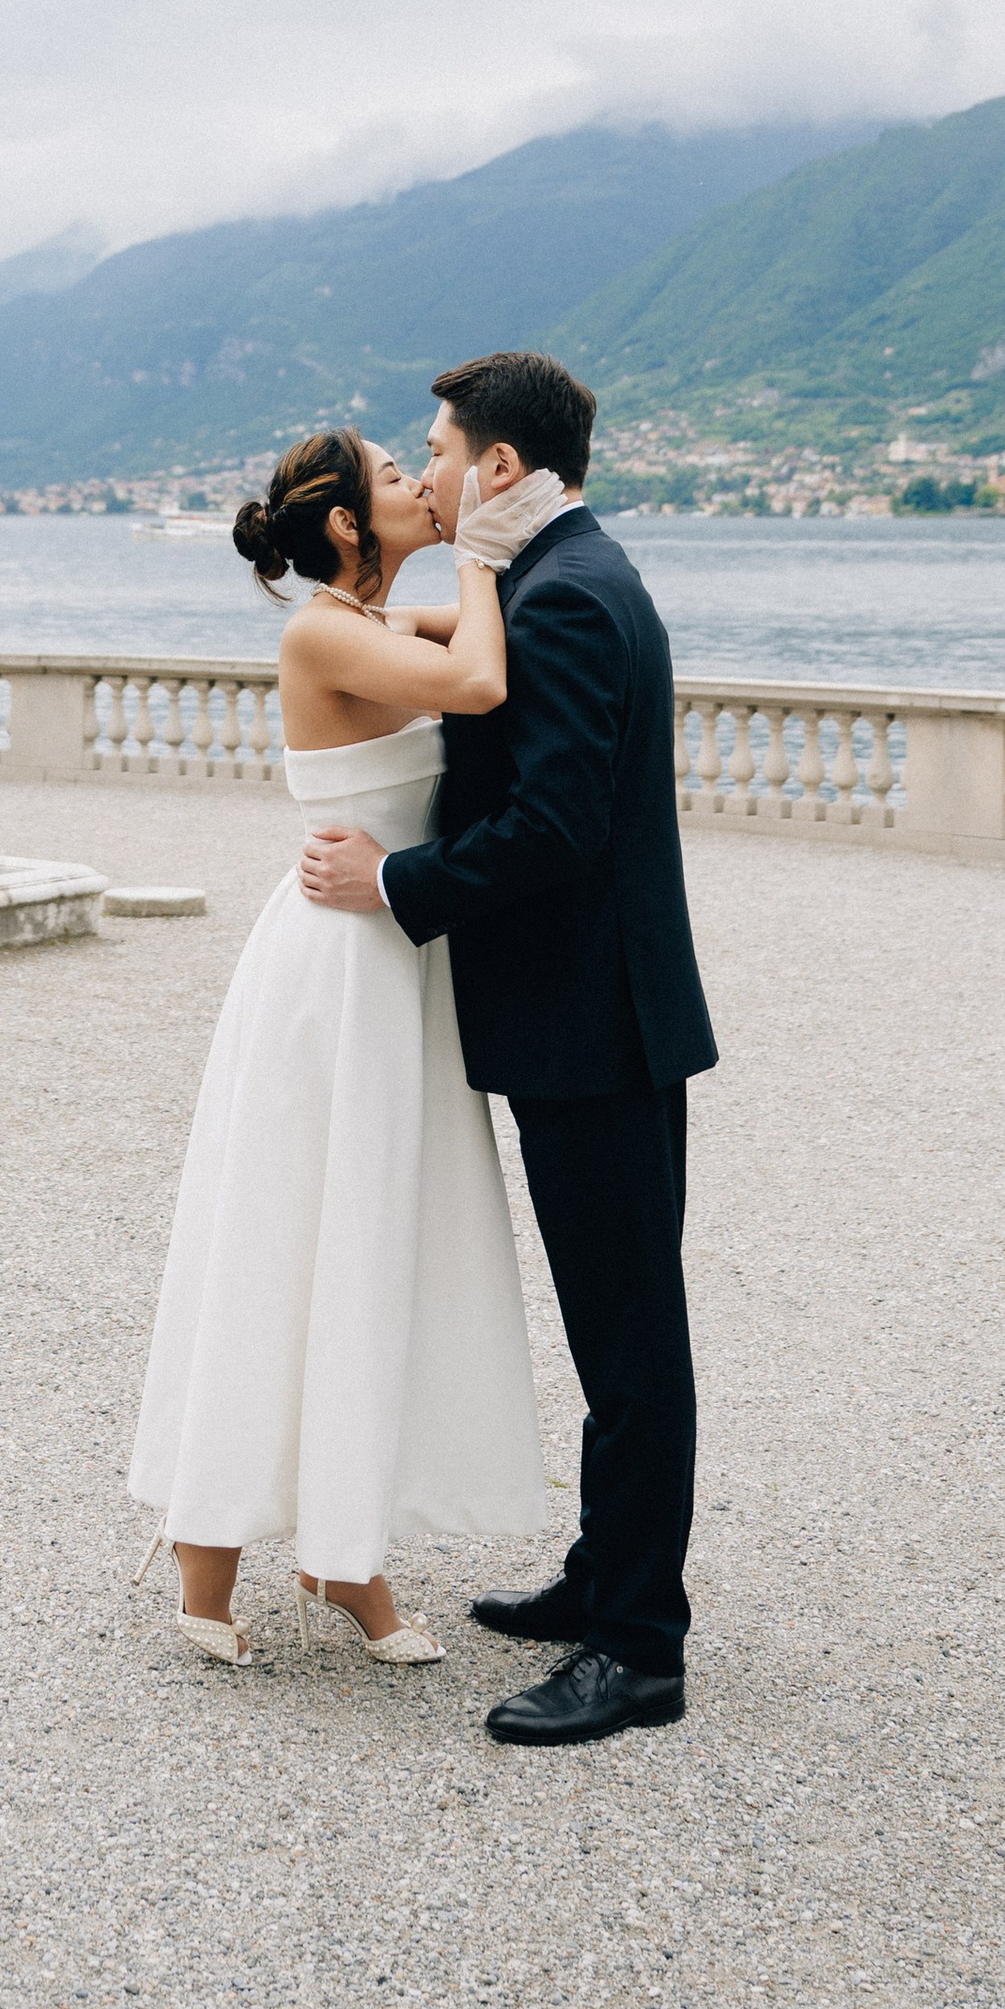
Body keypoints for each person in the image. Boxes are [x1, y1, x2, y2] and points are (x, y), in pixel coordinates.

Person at [299, 350, 717, 1748]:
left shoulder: (570, 595)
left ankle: (638, 1649)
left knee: (630, 1338)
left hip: (596, 1024)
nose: (422, 467)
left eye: (436, 448)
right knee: (611, 1323)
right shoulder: (556, 573)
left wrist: (393, 885)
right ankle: (604, 1573)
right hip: (585, 1016)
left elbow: (556, 827)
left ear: (496, 466)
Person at [127, 430, 553, 1668]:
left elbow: (495, 638)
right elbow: (478, 682)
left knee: (372, 1237)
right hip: (333, 965)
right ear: (349, 525)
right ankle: (208, 1550)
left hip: (393, 953)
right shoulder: (321, 633)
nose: (422, 480)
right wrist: (480, 548)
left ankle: (343, 1551)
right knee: (287, 1233)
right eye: (396, 475)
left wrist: (491, 559)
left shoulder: (374, 619)